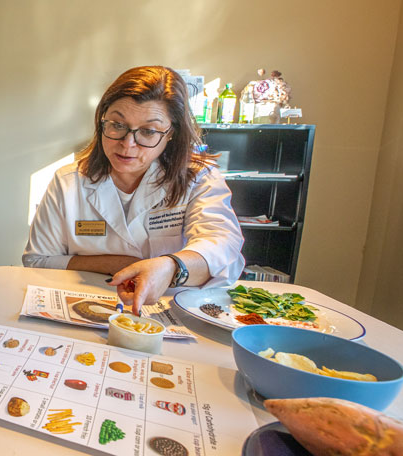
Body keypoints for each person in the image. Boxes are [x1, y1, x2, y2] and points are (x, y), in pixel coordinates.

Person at [23, 66, 245, 314]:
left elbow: (223, 250)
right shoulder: (68, 182)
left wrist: (170, 267)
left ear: (171, 133)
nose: (127, 144)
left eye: (148, 131)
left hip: (169, 308)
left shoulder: (199, 178)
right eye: (117, 125)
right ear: (102, 121)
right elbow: (37, 260)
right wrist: (124, 264)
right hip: (86, 304)